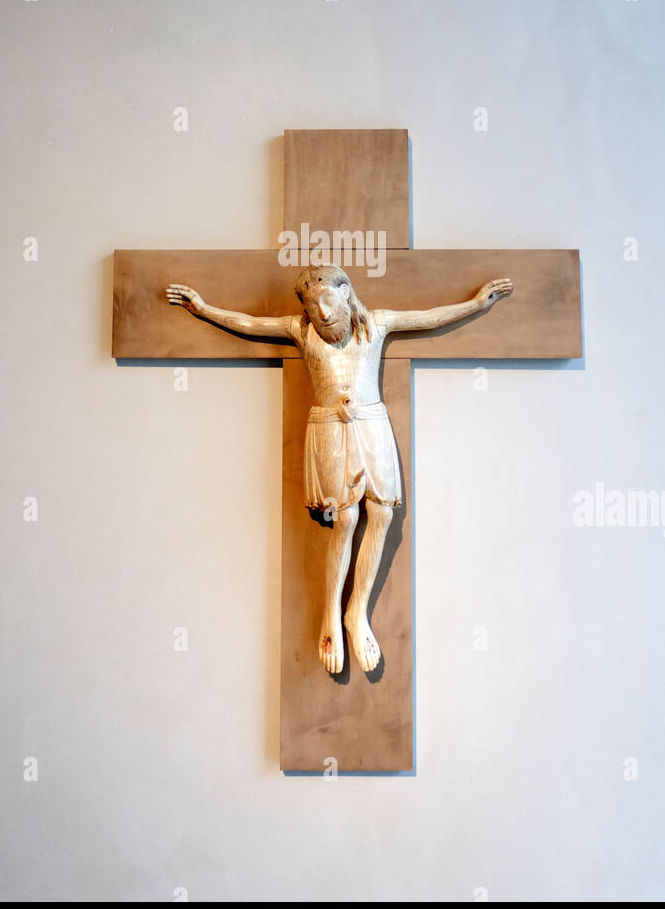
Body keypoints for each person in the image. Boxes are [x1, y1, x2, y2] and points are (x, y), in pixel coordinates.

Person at [167, 265, 512, 675]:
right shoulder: (301, 330)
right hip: (329, 426)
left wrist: (475, 304)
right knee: (344, 518)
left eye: (328, 302)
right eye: (313, 307)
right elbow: (250, 324)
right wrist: (204, 309)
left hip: (370, 423)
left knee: (382, 512)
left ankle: (356, 613)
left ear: (347, 294)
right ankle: (331, 614)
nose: (323, 314)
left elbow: (427, 317)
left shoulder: (376, 325)